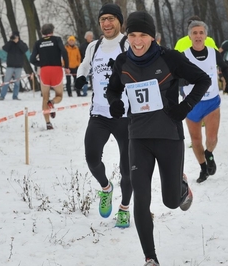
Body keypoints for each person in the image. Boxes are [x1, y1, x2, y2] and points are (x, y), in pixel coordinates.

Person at [106, 11, 211, 266]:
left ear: (153, 37)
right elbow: (112, 90)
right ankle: (150, 258)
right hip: (138, 137)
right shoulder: (122, 61)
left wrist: (185, 107)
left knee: (172, 201)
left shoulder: (170, 58)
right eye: (132, 35)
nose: (137, 41)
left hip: (168, 136)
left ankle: (181, 187)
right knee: (141, 199)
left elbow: (203, 80)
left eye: (143, 35)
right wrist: (114, 104)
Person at [74, 3, 133, 228]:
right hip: (99, 113)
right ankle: (106, 188)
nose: (107, 23)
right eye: (103, 20)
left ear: (120, 21)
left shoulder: (128, 43)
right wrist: (81, 77)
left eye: (111, 19)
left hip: (125, 115)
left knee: (128, 169)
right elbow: (84, 65)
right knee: (91, 158)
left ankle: (125, 208)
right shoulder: (94, 46)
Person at [183, 20, 228, 183]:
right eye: (195, 33)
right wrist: (182, 83)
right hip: (191, 104)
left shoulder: (213, 52)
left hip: (211, 101)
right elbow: (175, 76)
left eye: (201, 33)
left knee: (211, 139)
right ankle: (203, 168)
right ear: (190, 36)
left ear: (205, 35)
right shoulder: (184, 56)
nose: (198, 36)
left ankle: (209, 153)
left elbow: (224, 67)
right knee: (196, 140)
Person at [30, 23, 69, 130]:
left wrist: (41, 64)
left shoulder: (38, 43)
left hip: (45, 71)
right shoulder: (57, 39)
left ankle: (48, 123)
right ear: (52, 31)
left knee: (44, 98)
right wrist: (66, 66)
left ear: (42, 32)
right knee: (59, 95)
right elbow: (64, 51)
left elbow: (32, 59)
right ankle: (52, 102)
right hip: (56, 69)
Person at [0, 31, 28, 101]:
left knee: (17, 82)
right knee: (6, 81)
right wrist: (10, 41)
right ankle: (2, 96)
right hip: (10, 65)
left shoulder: (22, 43)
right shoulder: (10, 43)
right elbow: (4, 48)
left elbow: (25, 49)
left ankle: (15, 96)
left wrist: (18, 42)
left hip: (19, 65)